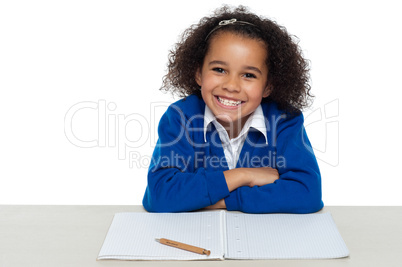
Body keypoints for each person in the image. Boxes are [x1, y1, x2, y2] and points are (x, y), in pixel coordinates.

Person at [142, 5, 323, 213]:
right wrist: (243, 175)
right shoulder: (180, 117)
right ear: (199, 73)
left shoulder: (284, 120)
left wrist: (221, 202)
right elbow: (160, 195)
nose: (231, 86)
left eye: (249, 75)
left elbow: (307, 193)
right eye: (219, 70)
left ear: (268, 86)